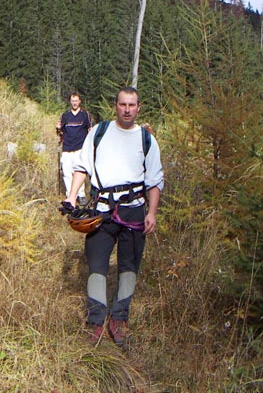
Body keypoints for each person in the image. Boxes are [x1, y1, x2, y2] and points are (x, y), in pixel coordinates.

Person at [62, 86, 164, 346]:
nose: (127, 109)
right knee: (96, 265)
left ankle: (119, 318)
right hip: (101, 211)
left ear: (139, 107)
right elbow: (82, 167)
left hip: (134, 211)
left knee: (129, 267)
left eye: (132, 105)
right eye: (123, 105)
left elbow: (154, 181)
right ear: (115, 106)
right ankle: (96, 321)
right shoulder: (99, 132)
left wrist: (151, 212)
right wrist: (72, 197)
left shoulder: (146, 140)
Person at [57, 92, 92, 204]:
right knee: (67, 172)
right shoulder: (65, 116)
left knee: (79, 172)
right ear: (70, 102)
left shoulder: (85, 115)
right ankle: (70, 195)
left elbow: (90, 129)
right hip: (67, 148)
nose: (74, 103)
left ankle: (81, 195)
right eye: (73, 101)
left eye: (76, 101)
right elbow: (59, 132)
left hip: (80, 148)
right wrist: (57, 128)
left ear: (79, 101)